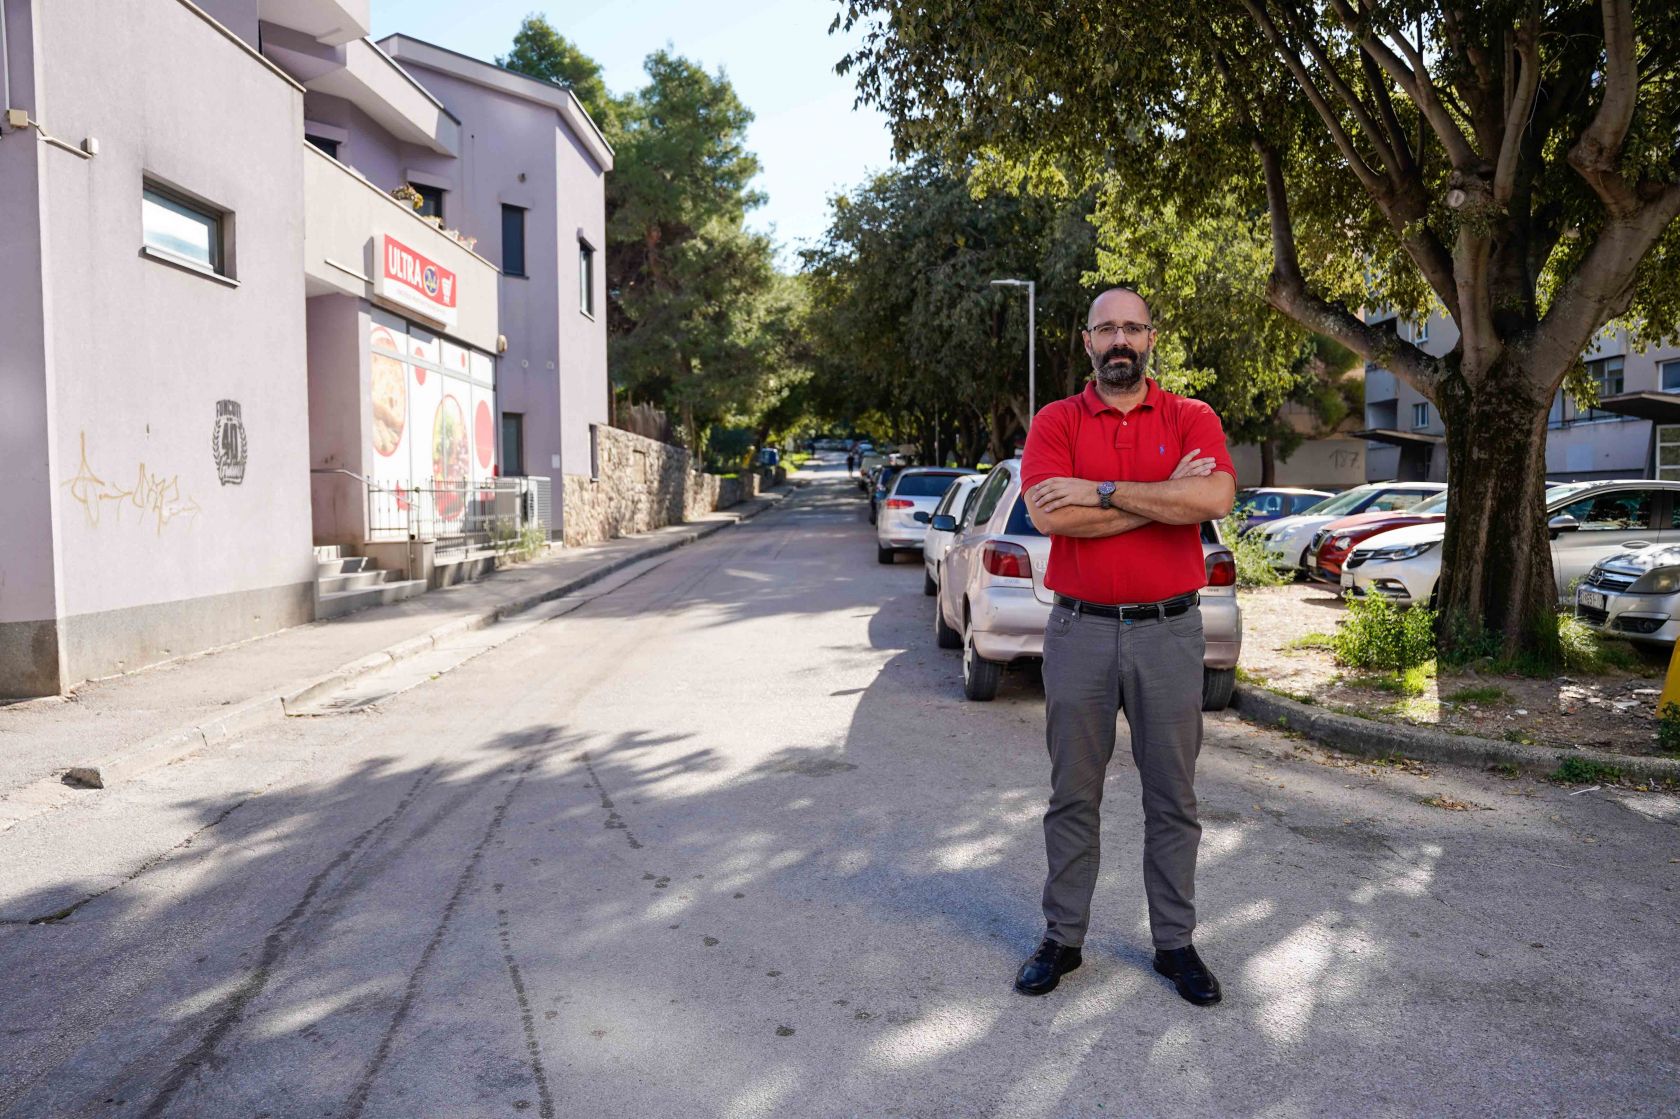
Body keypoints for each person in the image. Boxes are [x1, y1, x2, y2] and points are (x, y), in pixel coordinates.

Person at [1014, 286, 1236, 1006]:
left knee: (1173, 797)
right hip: (1079, 629)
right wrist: (1156, 494)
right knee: (1071, 794)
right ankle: (1062, 937)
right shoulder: (1055, 420)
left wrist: (1102, 491)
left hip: (1170, 631)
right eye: (1106, 327)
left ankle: (1175, 944)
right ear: (1086, 341)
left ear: (1151, 338)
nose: (1120, 339)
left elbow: (1213, 501)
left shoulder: (1191, 416)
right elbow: (1055, 518)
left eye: (1132, 327)